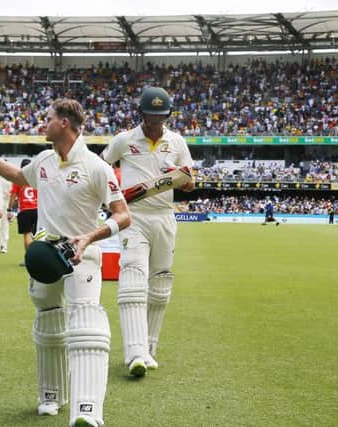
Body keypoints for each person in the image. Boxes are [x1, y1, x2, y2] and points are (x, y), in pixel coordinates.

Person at [0, 98, 131, 427]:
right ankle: (51, 396)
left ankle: (87, 411)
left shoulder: (95, 167)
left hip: (81, 254)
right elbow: (15, 173)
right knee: (47, 321)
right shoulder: (43, 160)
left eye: (49, 119)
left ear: (65, 124)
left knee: (86, 326)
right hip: (45, 253)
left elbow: (123, 215)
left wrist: (88, 238)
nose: (44, 124)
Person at [101, 87, 195, 378]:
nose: (156, 123)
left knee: (160, 286)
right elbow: (100, 167)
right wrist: (112, 196)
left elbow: (190, 184)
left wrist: (176, 175)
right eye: (151, 117)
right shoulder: (124, 140)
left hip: (164, 217)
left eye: (162, 116)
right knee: (132, 278)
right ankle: (135, 353)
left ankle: (150, 349)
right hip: (134, 216)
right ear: (141, 113)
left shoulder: (176, 141)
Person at [8, 158, 38, 265]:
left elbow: (13, 196)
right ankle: (38, 258)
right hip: (37, 209)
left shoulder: (18, 179)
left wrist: (9, 209)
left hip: (25, 209)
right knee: (38, 235)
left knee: (27, 235)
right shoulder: (36, 178)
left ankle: (28, 259)